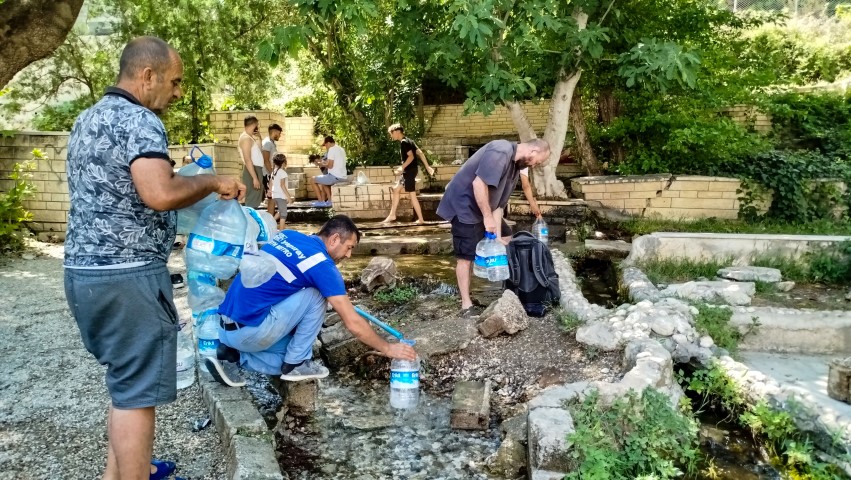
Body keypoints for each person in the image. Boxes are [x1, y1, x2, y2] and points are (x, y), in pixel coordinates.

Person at [63, 36, 244, 480]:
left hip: (83, 274)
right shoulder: (140, 120)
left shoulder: (87, 120)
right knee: (137, 394)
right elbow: (159, 194)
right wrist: (209, 182)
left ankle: (122, 472)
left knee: (126, 383)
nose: (178, 92)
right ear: (147, 76)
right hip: (129, 278)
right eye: (175, 82)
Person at [205, 215, 417, 386]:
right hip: (250, 332)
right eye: (349, 247)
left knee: (289, 352)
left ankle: (233, 357)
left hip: (226, 328)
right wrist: (387, 348)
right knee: (316, 296)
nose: (349, 255)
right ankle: (296, 364)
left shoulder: (286, 235)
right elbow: (352, 323)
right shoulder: (322, 265)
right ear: (334, 239)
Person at [436, 138, 551, 316]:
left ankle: (510, 289)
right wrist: (487, 218)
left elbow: (498, 205)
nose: (536, 165)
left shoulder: (515, 167)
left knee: (506, 237)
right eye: (539, 161)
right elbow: (478, 184)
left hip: (484, 208)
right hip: (464, 206)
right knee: (466, 256)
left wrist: (496, 235)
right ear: (533, 152)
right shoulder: (501, 151)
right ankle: (466, 305)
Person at [381, 124, 434, 224]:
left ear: (397, 132)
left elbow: (411, 157)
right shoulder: (409, 141)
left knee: (412, 195)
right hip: (409, 171)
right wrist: (427, 167)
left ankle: (421, 219)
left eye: (391, 133)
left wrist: (402, 167)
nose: (391, 136)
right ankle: (392, 215)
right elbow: (420, 153)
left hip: (409, 172)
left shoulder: (404, 143)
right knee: (396, 189)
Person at [239, 115, 267, 209]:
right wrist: (254, 178)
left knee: (256, 196)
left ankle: (252, 220)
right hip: (252, 170)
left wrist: (259, 138)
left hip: (256, 169)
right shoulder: (246, 139)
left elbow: (259, 150)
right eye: (257, 124)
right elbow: (247, 159)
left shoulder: (250, 138)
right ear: (254, 124)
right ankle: (250, 221)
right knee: (252, 198)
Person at [311, 136, 347, 207]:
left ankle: (321, 201)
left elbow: (330, 166)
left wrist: (321, 164)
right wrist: (324, 163)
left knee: (312, 179)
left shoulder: (331, 150)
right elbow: (333, 163)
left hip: (335, 177)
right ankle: (329, 201)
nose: (326, 147)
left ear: (329, 143)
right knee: (324, 180)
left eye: (325, 145)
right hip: (343, 176)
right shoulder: (341, 149)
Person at [261, 124, 283, 216]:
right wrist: (272, 174)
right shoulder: (267, 143)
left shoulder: (271, 143)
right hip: (267, 174)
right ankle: (270, 218)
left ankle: (271, 217)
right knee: (271, 197)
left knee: (272, 197)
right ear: (274, 132)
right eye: (279, 133)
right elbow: (266, 160)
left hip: (271, 173)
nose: (280, 135)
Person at [270, 153, 293, 230]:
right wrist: (289, 197)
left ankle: (269, 223)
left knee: (280, 211)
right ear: (284, 163)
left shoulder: (274, 171)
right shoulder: (282, 172)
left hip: (275, 195)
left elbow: (271, 183)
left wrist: (270, 191)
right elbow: (282, 185)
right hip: (280, 195)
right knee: (283, 214)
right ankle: (281, 231)